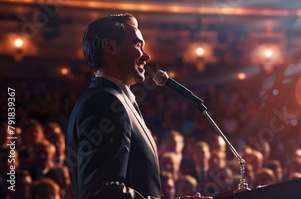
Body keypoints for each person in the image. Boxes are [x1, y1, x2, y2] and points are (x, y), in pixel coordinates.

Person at [66, 13, 209, 199]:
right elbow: (101, 192)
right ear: (109, 46)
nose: (146, 55)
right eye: (137, 45)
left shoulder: (114, 99)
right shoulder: (105, 102)